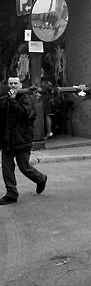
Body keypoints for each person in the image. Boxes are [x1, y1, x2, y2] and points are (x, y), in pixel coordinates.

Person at [0, 76, 47, 205]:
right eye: (11, 83)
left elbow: (25, 114)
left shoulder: (26, 98)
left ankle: (40, 178)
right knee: (6, 168)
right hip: (7, 140)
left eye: (16, 83)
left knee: (24, 167)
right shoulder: (5, 98)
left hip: (22, 139)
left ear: (21, 85)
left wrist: (14, 101)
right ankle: (11, 193)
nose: (13, 86)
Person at [41, 61, 56, 139]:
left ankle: (49, 132)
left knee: (47, 114)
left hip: (47, 98)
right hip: (45, 98)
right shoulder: (45, 76)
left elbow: (46, 87)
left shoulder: (47, 77)